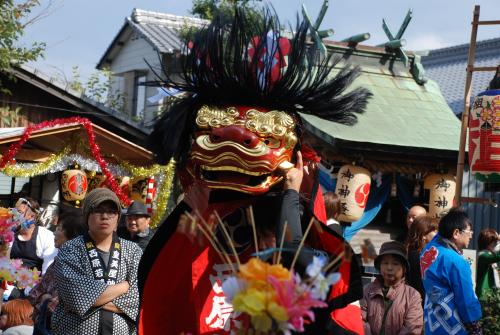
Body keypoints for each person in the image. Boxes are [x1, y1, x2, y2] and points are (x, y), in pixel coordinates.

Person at [52, 188, 142, 335]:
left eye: (112, 211)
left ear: (118, 217)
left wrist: (90, 299)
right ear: (87, 215)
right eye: (98, 210)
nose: (105, 216)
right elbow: (75, 296)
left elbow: (138, 300)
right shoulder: (70, 249)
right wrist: (124, 286)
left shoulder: (133, 251)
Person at [420, 208, 482, 335]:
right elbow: (466, 299)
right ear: (456, 233)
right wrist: (475, 325)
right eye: (469, 231)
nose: (471, 235)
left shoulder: (428, 250)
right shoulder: (457, 262)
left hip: (432, 320)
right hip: (453, 324)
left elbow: (439, 237)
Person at [27, 209, 87, 332]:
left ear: (72, 235)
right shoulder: (59, 259)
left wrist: (46, 299)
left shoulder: (78, 264)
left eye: (59, 229)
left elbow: (55, 306)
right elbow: (36, 292)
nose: (54, 233)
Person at [361, 241, 423, 335]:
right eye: (385, 263)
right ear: (379, 266)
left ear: (404, 269)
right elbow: (359, 319)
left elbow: (412, 328)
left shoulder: (412, 295)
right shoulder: (367, 290)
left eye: (395, 264)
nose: (389, 267)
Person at [10, 197, 56, 275]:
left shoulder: (46, 236)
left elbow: (48, 270)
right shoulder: (9, 233)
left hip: (34, 285)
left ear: (32, 216)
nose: (14, 215)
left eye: (19, 212)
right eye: (14, 211)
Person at [405, 215, 438, 299]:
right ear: (423, 235)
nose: (438, 235)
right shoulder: (417, 256)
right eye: (435, 231)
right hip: (419, 302)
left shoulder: (413, 252)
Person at [476, 228, 500, 300]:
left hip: (492, 294)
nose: (496, 244)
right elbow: (496, 257)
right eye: (495, 242)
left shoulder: (489, 254)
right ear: (488, 242)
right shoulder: (482, 255)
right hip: (484, 296)